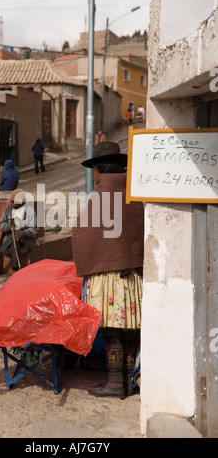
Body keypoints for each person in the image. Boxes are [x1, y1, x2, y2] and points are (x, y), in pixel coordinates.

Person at [71, 141, 144, 398]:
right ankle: (127, 381)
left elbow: (84, 233)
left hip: (108, 276)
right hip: (133, 274)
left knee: (112, 329)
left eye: (95, 169)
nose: (95, 174)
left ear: (100, 168)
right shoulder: (134, 191)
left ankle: (115, 383)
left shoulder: (103, 193)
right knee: (130, 329)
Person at [0, 189, 39, 272]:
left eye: (14, 202)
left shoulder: (30, 211)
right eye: (11, 201)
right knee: (15, 240)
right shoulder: (8, 209)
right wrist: (8, 227)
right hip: (11, 237)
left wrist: (24, 233)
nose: (11, 203)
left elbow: (35, 230)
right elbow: (1, 224)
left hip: (26, 239)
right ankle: (15, 267)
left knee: (18, 235)